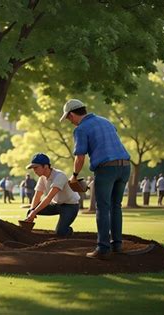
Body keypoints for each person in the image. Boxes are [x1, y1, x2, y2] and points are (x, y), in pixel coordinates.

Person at [60, 99, 130, 259]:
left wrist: (74, 176)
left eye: (68, 118)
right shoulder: (105, 121)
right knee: (116, 206)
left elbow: (79, 157)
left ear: (72, 114)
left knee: (103, 208)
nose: (69, 122)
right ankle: (117, 245)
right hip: (125, 167)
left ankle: (103, 248)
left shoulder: (81, 129)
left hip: (106, 169)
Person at [25, 153, 80, 236]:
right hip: (56, 205)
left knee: (60, 232)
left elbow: (48, 198)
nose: (34, 170)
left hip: (70, 206)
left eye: (36, 167)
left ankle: (68, 231)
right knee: (30, 210)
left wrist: (34, 212)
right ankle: (27, 232)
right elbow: (37, 195)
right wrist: (32, 210)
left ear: (46, 166)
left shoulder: (60, 176)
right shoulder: (42, 178)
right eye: (33, 168)